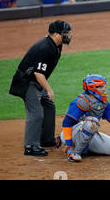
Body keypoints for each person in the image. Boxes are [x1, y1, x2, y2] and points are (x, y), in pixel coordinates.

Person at [9, 20, 73, 156]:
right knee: (36, 113)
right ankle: (30, 146)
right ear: (56, 34)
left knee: (49, 106)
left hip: (35, 81)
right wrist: (49, 90)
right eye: (65, 33)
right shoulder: (45, 48)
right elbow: (38, 73)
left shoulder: (56, 45)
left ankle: (46, 140)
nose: (68, 35)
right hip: (26, 82)